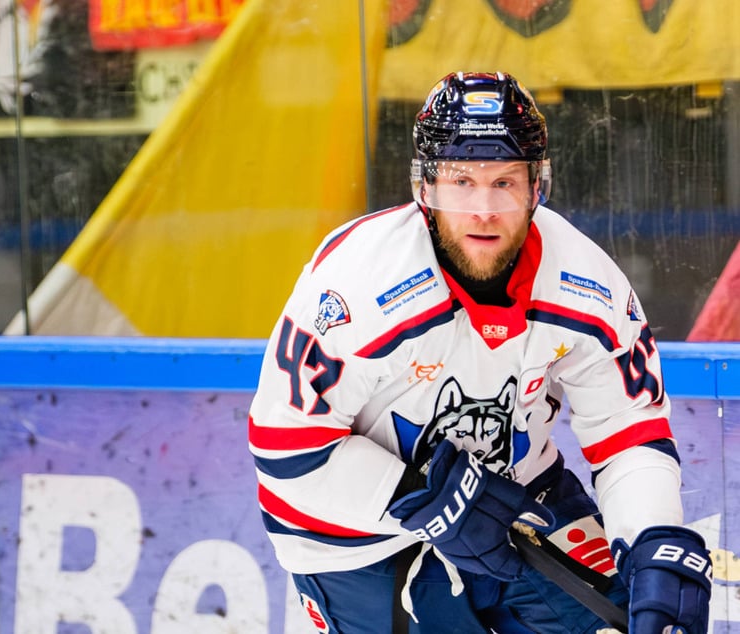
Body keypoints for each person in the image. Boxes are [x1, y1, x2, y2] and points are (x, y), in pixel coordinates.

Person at [248, 71, 712, 634]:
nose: (483, 210)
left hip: (516, 495)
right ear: (424, 187)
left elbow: (628, 430)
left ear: (537, 185)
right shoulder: (357, 286)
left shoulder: (587, 283)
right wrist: (419, 496)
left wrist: (652, 536)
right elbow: (287, 451)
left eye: (505, 182)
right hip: (354, 540)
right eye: (461, 181)